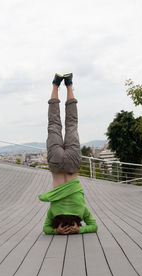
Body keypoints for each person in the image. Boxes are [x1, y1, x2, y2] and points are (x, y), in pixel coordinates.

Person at [38, 73, 98, 235]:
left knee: (72, 124)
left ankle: (69, 85)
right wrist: (56, 231)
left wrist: (80, 230)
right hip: (57, 165)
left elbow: (94, 226)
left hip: (72, 164)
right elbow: (45, 229)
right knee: (54, 124)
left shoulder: (81, 211)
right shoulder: (54, 212)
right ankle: (56, 85)